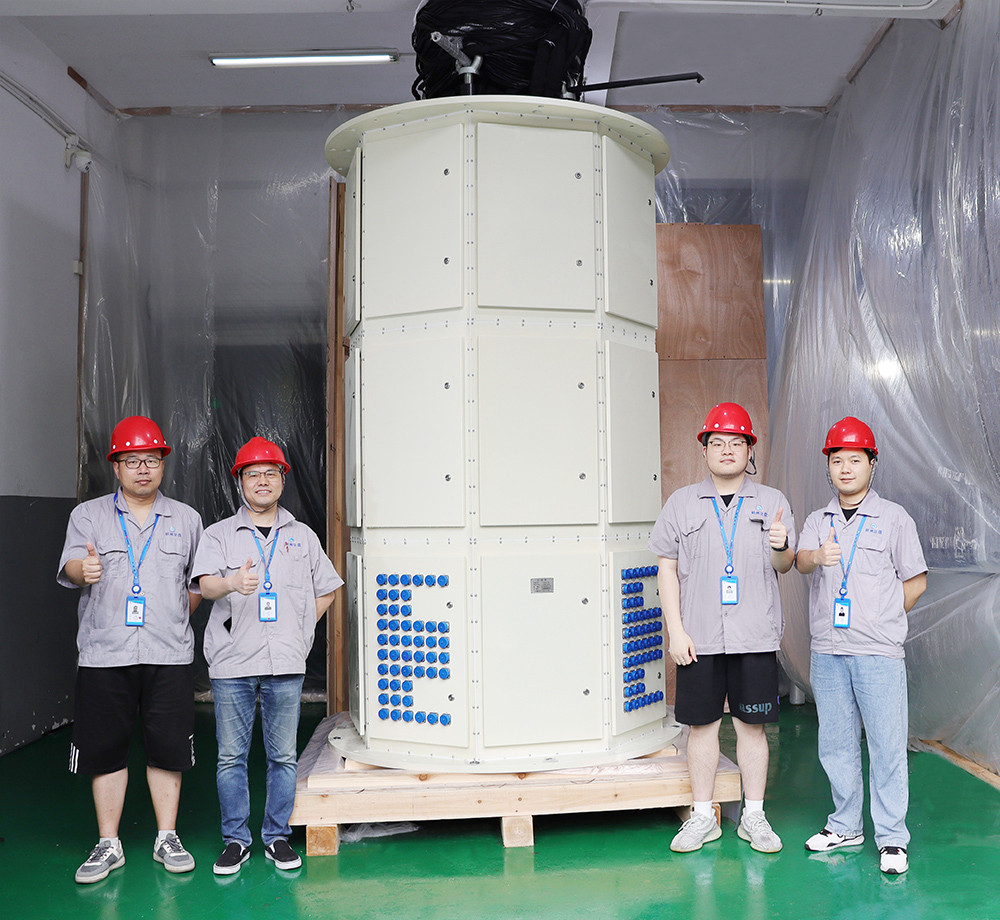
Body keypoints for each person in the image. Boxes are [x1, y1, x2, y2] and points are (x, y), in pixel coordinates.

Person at [58, 416, 204, 883]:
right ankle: (108, 844)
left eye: (151, 460)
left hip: (168, 654)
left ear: (162, 465)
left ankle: (167, 837)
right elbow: (71, 566)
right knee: (105, 751)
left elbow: (196, 583)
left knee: (168, 750)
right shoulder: (89, 515)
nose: (143, 469)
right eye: (132, 460)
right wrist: (84, 570)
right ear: (116, 467)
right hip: (105, 653)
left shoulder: (186, 519)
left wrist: (174, 616)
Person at [648, 402, 795, 854]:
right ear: (705, 450)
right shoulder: (681, 503)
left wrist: (781, 545)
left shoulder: (772, 502)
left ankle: (754, 816)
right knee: (701, 728)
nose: (727, 449)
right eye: (717, 442)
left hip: (754, 634)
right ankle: (701, 816)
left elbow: (784, 566)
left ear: (750, 450)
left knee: (752, 728)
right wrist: (675, 631)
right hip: (700, 637)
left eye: (736, 442)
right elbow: (666, 568)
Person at [193, 437, 343, 876]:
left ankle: (277, 837)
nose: (262, 480)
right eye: (253, 473)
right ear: (240, 481)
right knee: (230, 757)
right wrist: (232, 583)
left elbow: (328, 588)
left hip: (285, 663)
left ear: (282, 480)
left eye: (270, 473)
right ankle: (236, 841)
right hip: (233, 662)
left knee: (283, 757)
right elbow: (205, 584)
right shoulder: (219, 534)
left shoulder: (302, 536)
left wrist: (300, 629)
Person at [795, 417, 927, 875]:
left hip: (878, 652)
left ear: (872, 464)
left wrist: (884, 617)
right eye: (837, 460)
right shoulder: (817, 521)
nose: (846, 468)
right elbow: (800, 563)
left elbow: (916, 581)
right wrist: (817, 555)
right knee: (835, 742)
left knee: (887, 746)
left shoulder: (894, 518)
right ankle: (845, 825)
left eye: (855, 459)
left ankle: (892, 838)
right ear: (828, 468)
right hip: (828, 650)